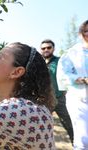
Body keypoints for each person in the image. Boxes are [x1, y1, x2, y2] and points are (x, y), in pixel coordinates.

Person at [57, 20, 88, 149]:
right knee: (83, 137)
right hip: (80, 99)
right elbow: (63, 74)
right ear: (81, 34)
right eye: (86, 31)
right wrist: (83, 79)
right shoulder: (72, 53)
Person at [40, 39, 73, 144]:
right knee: (41, 124)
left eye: (49, 47)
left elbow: (69, 75)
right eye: (43, 48)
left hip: (59, 98)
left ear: (53, 48)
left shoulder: (60, 61)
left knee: (68, 122)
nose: (46, 50)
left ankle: (76, 143)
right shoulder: (38, 63)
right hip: (44, 99)